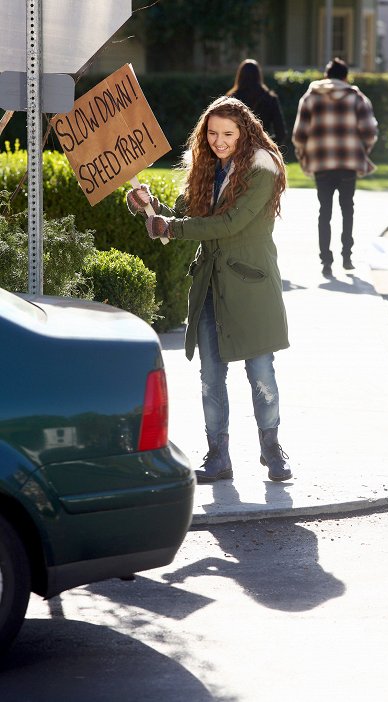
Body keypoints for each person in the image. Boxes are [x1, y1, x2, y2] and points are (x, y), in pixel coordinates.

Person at [126, 96, 292, 484]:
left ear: (245, 132)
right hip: (209, 285)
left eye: (228, 134)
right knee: (210, 376)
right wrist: (147, 206)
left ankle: (272, 450)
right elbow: (182, 215)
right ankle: (218, 456)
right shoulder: (206, 169)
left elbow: (229, 223)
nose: (219, 141)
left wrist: (172, 227)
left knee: (261, 373)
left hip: (251, 285)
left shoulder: (261, 168)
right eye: (213, 133)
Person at [292, 57, 378, 277]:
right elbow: (370, 132)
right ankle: (347, 257)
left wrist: (304, 157)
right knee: (347, 209)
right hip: (348, 163)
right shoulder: (356, 97)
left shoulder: (311, 98)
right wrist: (361, 152)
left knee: (324, 212)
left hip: (321, 162)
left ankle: (326, 261)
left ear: (325, 76)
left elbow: (299, 135)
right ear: (345, 77)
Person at [227, 59, 287, 147]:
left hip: (237, 150)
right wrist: (267, 145)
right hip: (261, 149)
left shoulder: (231, 99)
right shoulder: (270, 98)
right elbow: (281, 133)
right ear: (259, 76)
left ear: (240, 76)